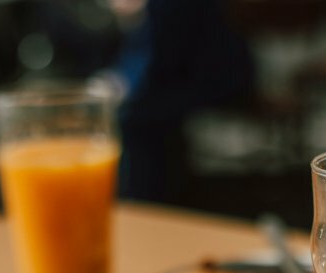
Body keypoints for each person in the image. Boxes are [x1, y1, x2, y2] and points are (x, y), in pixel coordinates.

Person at [107, 0, 254, 204]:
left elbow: (156, 58)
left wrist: (122, 86)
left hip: (217, 78)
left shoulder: (169, 6)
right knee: (134, 115)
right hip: (193, 76)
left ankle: (147, 206)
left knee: (133, 119)